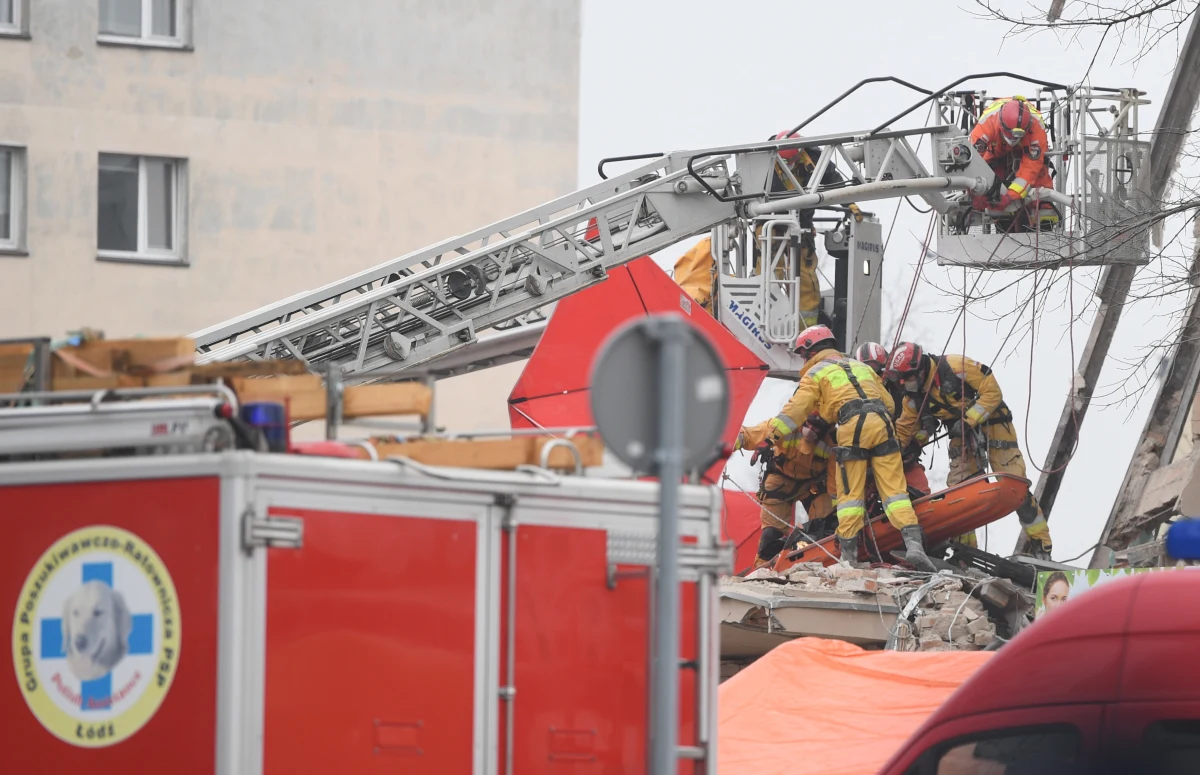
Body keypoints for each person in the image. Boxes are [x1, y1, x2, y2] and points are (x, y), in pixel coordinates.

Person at [754, 325, 936, 570]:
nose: (803, 359)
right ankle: (915, 546)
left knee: (850, 498)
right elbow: (890, 403)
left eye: (802, 354)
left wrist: (770, 438)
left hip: (851, 425)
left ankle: (848, 559)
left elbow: (794, 413)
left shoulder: (815, 374)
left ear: (809, 351)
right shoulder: (861, 367)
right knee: (895, 494)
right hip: (883, 424)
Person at [885, 341, 1054, 559]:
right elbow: (904, 430)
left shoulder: (955, 367)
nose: (902, 386)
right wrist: (891, 453)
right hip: (961, 435)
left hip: (992, 424)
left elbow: (992, 392)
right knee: (959, 494)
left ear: (918, 370)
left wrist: (968, 420)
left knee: (1015, 485)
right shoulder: (914, 398)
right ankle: (967, 555)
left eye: (904, 379)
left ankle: (1042, 546)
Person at [770, 130, 864, 327]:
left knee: (805, 278)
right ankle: (769, 319)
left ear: (800, 152)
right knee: (770, 273)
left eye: (792, 160)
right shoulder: (764, 160)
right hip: (770, 224)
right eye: (785, 162)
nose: (789, 165)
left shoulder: (815, 159)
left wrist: (850, 204)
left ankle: (808, 330)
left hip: (800, 226)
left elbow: (835, 183)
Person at [735, 410, 835, 568]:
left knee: (824, 527)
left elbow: (835, 481)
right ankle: (762, 571)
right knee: (771, 535)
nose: (810, 430)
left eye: (816, 428)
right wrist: (728, 444)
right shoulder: (784, 427)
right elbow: (748, 435)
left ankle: (820, 568)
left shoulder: (833, 442)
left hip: (814, 484)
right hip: (780, 480)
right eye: (808, 424)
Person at [967, 96, 1059, 233]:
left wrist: (1011, 196)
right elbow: (972, 163)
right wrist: (974, 192)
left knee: (1040, 183)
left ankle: (1044, 226)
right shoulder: (986, 126)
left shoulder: (1036, 129)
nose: (1013, 139)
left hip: (1026, 148)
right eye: (1010, 134)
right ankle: (1001, 222)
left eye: (1017, 136)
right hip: (996, 150)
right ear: (1001, 125)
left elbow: (1031, 168)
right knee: (989, 179)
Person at [854, 341, 932, 499]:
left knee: (916, 482)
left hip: (901, 445)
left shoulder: (902, 387)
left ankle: (920, 504)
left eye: (876, 369)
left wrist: (915, 444)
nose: (873, 375)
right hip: (869, 450)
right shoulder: (854, 392)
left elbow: (917, 416)